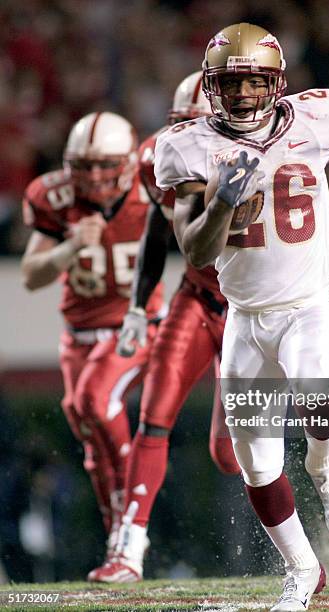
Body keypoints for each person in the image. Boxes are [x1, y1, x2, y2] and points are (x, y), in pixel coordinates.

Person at [153, 23, 329, 612]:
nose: (246, 95)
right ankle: (304, 571)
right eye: (233, 83)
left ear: (276, 82)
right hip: (246, 319)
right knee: (256, 464)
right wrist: (223, 203)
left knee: (315, 392)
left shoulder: (316, 117)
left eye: (256, 82)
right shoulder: (187, 147)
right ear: (211, 86)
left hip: (308, 304)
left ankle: (326, 464)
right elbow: (196, 252)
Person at [87, 71, 240, 584]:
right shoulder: (160, 156)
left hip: (254, 310)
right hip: (197, 299)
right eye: (180, 126)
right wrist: (136, 306)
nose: (184, 139)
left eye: (195, 127)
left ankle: (299, 552)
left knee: (230, 454)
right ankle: (129, 551)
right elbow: (159, 225)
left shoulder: (263, 152)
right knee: (153, 417)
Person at [21, 111, 164, 568]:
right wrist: (69, 248)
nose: (95, 176)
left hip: (135, 323)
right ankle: (119, 544)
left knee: (97, 399)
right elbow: (31, 275)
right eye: (84, 165)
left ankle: (131, 529)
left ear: (126, 160)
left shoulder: (153, 185)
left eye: (105, 164)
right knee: (89, 436)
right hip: (78, 335)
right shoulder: (54, 196)